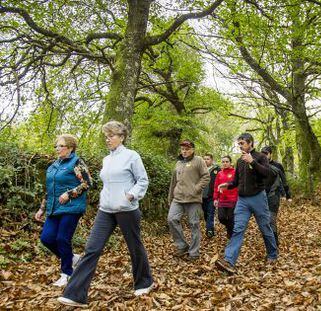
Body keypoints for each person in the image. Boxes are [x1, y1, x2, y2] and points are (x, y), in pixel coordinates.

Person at [58, 121, 153, 308]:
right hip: (106, 210)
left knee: (135, 247)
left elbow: (143, 180)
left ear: (122, 137)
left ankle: (145, 282)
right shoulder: (106, 159)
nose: (108, 139)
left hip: (126, 209)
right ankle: (75, 294)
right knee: (92, 248)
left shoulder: (131, 156)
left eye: (112, 136)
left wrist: (131, 195)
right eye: (106, 136)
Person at [215, 133, 277, 275]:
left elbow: (268, 174)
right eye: (239, 144)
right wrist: (227, 185)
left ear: (250, 143)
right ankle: (229, 261)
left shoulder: (260, 157)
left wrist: (252, 162)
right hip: (242, 201)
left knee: (265, 227)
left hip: (258, 198)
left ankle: (272, 254)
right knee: (238, 228)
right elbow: (236, 181)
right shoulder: (239, 161)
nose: (240, 146)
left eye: (242, 143)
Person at [34, 134, 92, 287]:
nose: (57, 149)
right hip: (54, 208)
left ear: (70, 148)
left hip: (71, 207)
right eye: (56, 146)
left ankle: (67, 274)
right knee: (46, 238)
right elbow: (49, 190)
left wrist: (69, 194)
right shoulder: (53, 166)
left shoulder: (77, 162)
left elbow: (88, 183)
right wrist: (41, 208)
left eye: (61, 146)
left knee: (62, 239)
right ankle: (72, 258)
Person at [167, 140, 210, 261]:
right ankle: (182, 245)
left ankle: (194, 252)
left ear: (192, 150)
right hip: (178, 198)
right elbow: (173, 182)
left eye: (187, 149)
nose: (184, 151)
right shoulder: (178, 163)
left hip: (193, 199)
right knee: (171, 219)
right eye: (182, 149)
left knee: (194, 224)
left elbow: (206, 176)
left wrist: (196, 189)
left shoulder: (199, 161)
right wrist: (170, 197)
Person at [261, 146, 292, 249]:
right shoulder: (259, 165)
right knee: (264, 221)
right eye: (263, 154)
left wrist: (288, 195)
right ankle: (269, 241)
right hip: (261, 197)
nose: (264, 156)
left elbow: (284, 181)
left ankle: (275, 243)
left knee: (271, 219)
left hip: (274, 196)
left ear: (271, 154)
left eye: (266, 153)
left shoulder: (278, 166)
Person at [213, 156, 238, 239]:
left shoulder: (235, 172)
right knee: (221, 218)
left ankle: (231, 234)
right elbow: (216, 186)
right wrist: (215, 198)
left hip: (233, 199)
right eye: (223, 162)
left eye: (227, 161)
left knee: (231, 218)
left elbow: (237, 184)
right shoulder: (219, 173)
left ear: (230, 163)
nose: (225, 163)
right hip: (222, 200)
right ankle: (230, 227)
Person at [202, 154, 220, 238]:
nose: (205, 160)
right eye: (204, 159)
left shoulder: (217, 170)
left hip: (212, 196)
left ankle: (209, 230)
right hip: (202, 196)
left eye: (207, 159)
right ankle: (210, 226)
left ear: (212, 160)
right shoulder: (200, 169)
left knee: (210, 212)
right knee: (205, 213)